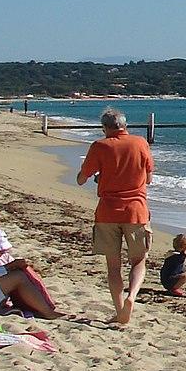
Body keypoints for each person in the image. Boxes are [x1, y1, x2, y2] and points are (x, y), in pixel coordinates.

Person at [77, 107, 154, 325]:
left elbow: (82, 178)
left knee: (113, 266)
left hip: (107, 211)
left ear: (105, 128)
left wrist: (100, 178)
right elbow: (148, 178)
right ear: (124, 126)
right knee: (138, 260)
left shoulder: (100, 146)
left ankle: (120, 309)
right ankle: (132, 296)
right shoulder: (140, 143)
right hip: (136, 210)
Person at [160, 231, 186, 295]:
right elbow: (181, 257)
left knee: (184, 272)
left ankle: (174, 287)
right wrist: (185, 251)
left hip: (167, 278)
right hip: (168, 280)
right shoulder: (176, 256)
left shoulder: (171, 254)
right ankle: (173, 289)